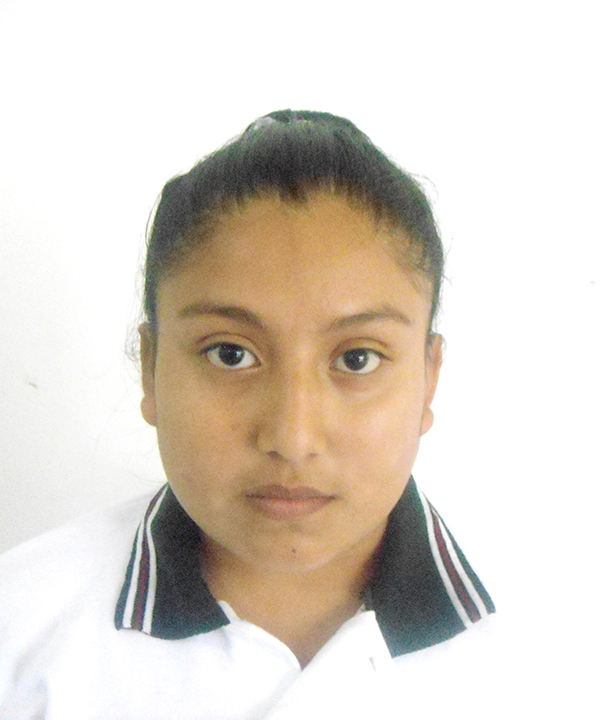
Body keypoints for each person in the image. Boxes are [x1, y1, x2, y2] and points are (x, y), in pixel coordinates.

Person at [0, 110, 496, 719]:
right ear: (151, 367)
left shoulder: (558, 654)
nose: (292, 438)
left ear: (429, 379)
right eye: (230, 354)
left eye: (357, 358)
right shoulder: (17, 637)